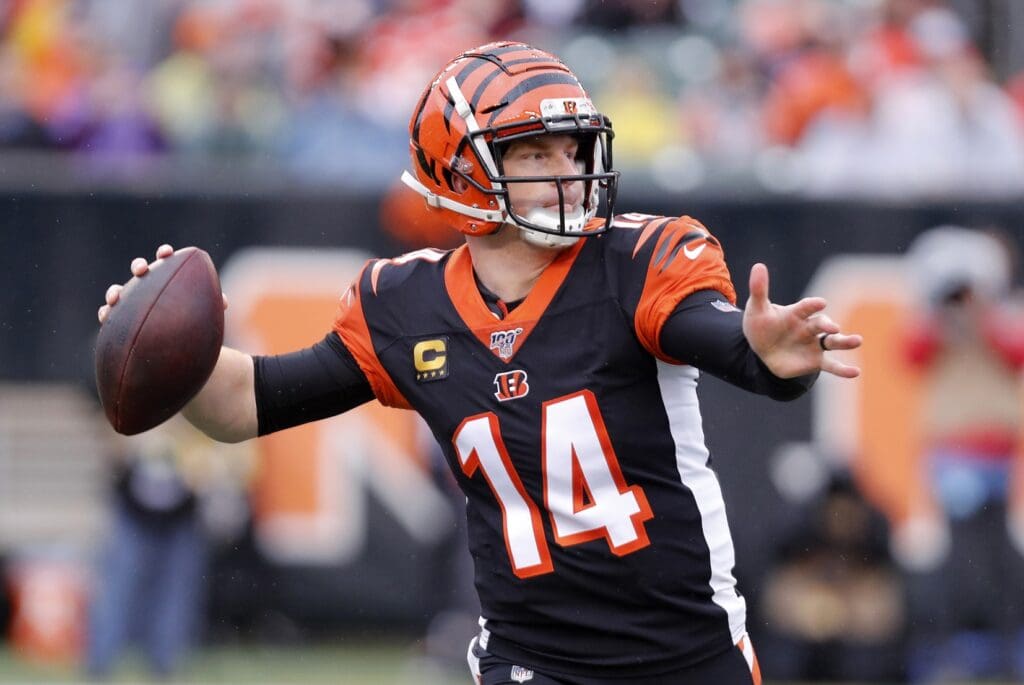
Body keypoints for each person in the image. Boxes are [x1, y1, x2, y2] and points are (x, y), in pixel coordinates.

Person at [98, 42, 862, 685]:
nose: (566, 170)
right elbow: (245, 403)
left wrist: (767, 354)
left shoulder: (639, 261)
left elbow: (721, 338)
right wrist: (166, 345)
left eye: (572, 147)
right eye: (535, 152)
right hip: (532, 659)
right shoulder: (404, 305)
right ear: (460, 170)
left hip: (687, 656)